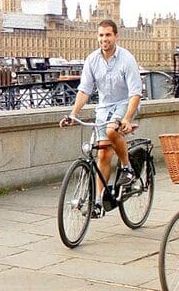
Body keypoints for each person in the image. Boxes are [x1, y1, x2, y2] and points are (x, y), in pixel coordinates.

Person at [60, 19, 143, 218]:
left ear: (116, 36)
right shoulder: (92, 60)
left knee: (111, 130)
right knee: (103, 156)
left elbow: (135, 93)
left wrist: (127, 118)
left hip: (125, 103)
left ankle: (127, 167)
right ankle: (97, 201)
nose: (104, 39)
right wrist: (73, 114)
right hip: (104, 108)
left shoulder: (127, 59)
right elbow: (84, 91)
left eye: (108, 35)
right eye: (101, 35)